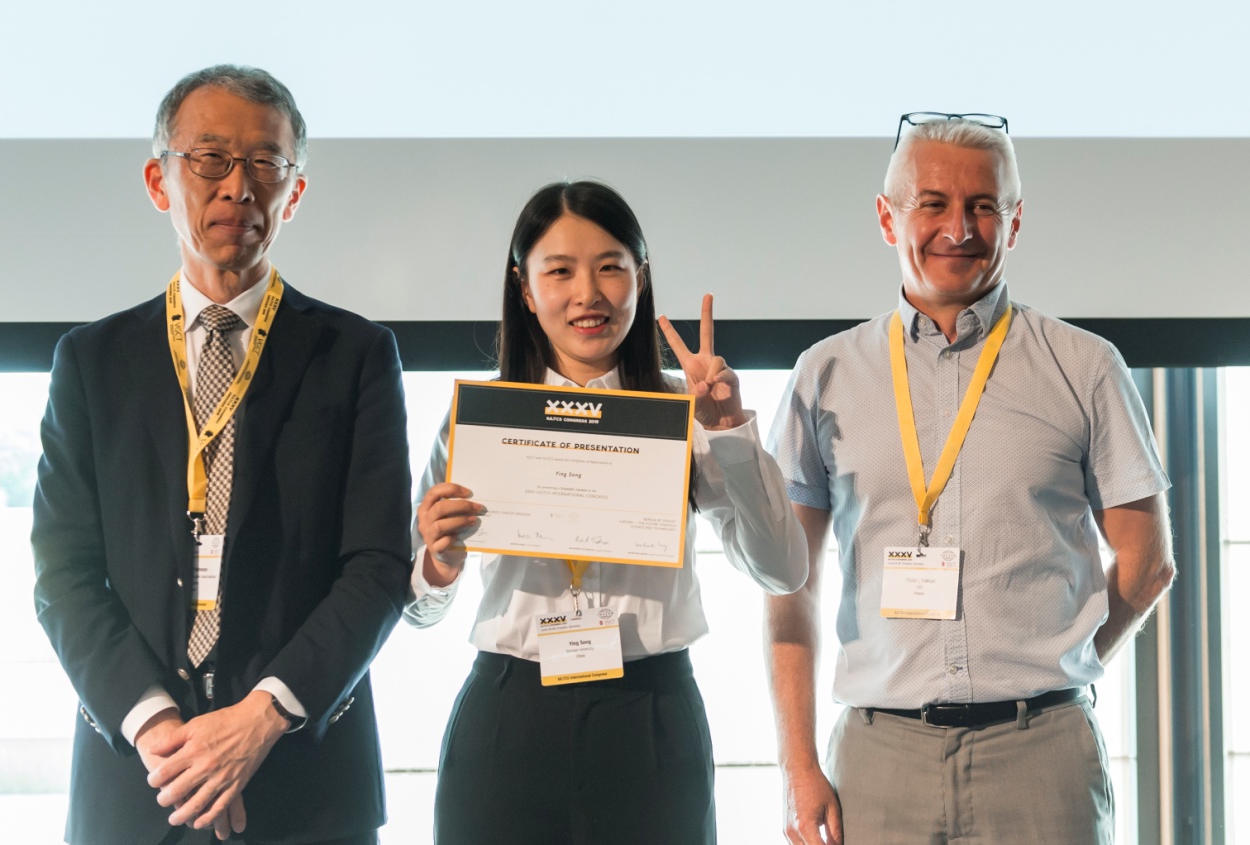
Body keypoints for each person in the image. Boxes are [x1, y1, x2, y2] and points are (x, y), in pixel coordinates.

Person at [765, 114, 1176, 845]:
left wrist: (1064, 664)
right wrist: (799, 765)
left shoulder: (1085, 366)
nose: (958, 229)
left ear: (1013, 222)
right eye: (933, 203)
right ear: (886, 217)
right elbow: (788, 584)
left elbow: (1147, 564)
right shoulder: (823, 374)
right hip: (879, 761)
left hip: (1040, 757)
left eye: (983, 206)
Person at [31, 65, 410, 845]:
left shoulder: (357, 355)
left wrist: (260, 718)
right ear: (159, 180)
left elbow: (376, 566)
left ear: (293, 193)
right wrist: (160, 732)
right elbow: (63, 572)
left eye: (265, 162)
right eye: (210, 158)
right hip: (141, 782)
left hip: (306, 779)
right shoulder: (92, 360)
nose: (238, 186)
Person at [405, 180, 808, 844]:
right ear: (524, 289)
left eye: (610, 268)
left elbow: (782, 571)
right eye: (560, 271)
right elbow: (416, 609)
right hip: (509, 715)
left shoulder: (686, 412)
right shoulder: (478, 419)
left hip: (649, 717)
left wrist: (729, 432)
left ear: (640, 279)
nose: (587, 294)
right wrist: (437, 568)